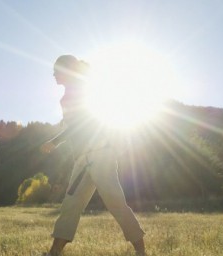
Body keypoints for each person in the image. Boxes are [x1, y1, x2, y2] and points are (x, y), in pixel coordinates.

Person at [41, 55, 146, 256]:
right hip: (82, 159)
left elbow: (79, 124)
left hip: (100, 154)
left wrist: (53, 142)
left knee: (115, 201)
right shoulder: (67, 97)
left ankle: (141, 251)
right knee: (70, 205)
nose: (54, 74)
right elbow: (74, 127)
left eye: (57, 70)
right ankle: (54, 253)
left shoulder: (84, 90)